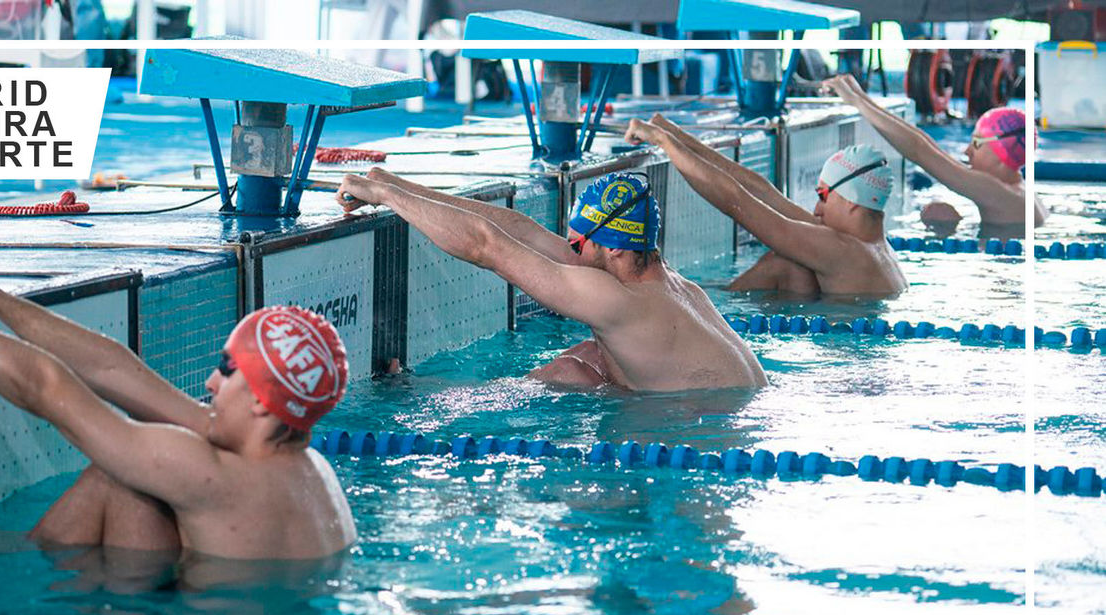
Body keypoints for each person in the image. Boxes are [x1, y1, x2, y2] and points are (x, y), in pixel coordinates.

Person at [0, 250, 356, 562]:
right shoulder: (300, 462)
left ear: (262, 407)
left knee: (119, 474)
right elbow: (116, 372)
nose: (209, 380)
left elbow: (45, 389)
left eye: (227, 370)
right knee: (123, 476)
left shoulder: (210, 475)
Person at [335, 168, 766, 393]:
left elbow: (488, 248)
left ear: (614, 248)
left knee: (567, 370)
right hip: (723, 407)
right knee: (578, 363)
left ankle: (424, 396)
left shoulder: (617, 301)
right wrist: (402, 187)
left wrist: (387, 199)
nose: (569, 249)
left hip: (700, 429)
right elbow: (522, 233)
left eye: (578, 244)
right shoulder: (656, 277)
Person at [624, 115, 907, 297]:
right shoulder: (871, 247)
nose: (817, 209)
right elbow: (766, 195)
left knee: (781, 264)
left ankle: (704, 304)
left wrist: (662, 142)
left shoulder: (845, 252)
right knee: (792, 268)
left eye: (822, 195)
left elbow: (737, 202)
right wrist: (674, 135)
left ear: (851, 201)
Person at [823, 74, 1046, 236]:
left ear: (1001, 153)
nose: (966, 150)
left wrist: (857, 101)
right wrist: (860, 96)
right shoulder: (1017, 191)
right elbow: (927, 145)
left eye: (976, 143)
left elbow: (921, 152)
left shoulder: (999, 193)